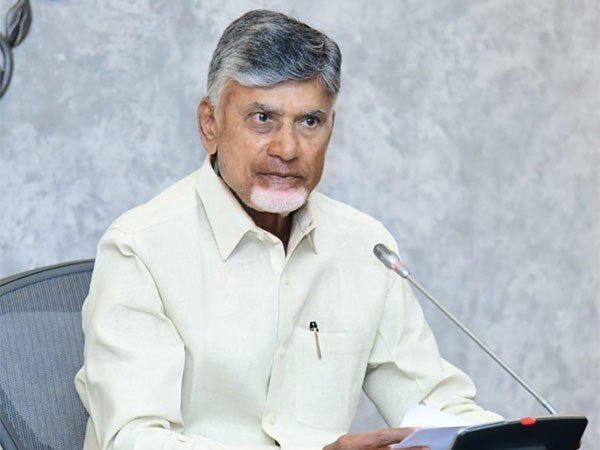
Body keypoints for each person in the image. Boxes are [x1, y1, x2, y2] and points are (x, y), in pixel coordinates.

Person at [75, 9, 502, 450]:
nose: (287, 148)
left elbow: (434, 402)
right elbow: (135, 439)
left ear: (331, 127)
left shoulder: (364, 246)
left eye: (309, 121)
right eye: (262, 118)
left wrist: (512, 441)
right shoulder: (140, 247)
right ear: (210, 124)